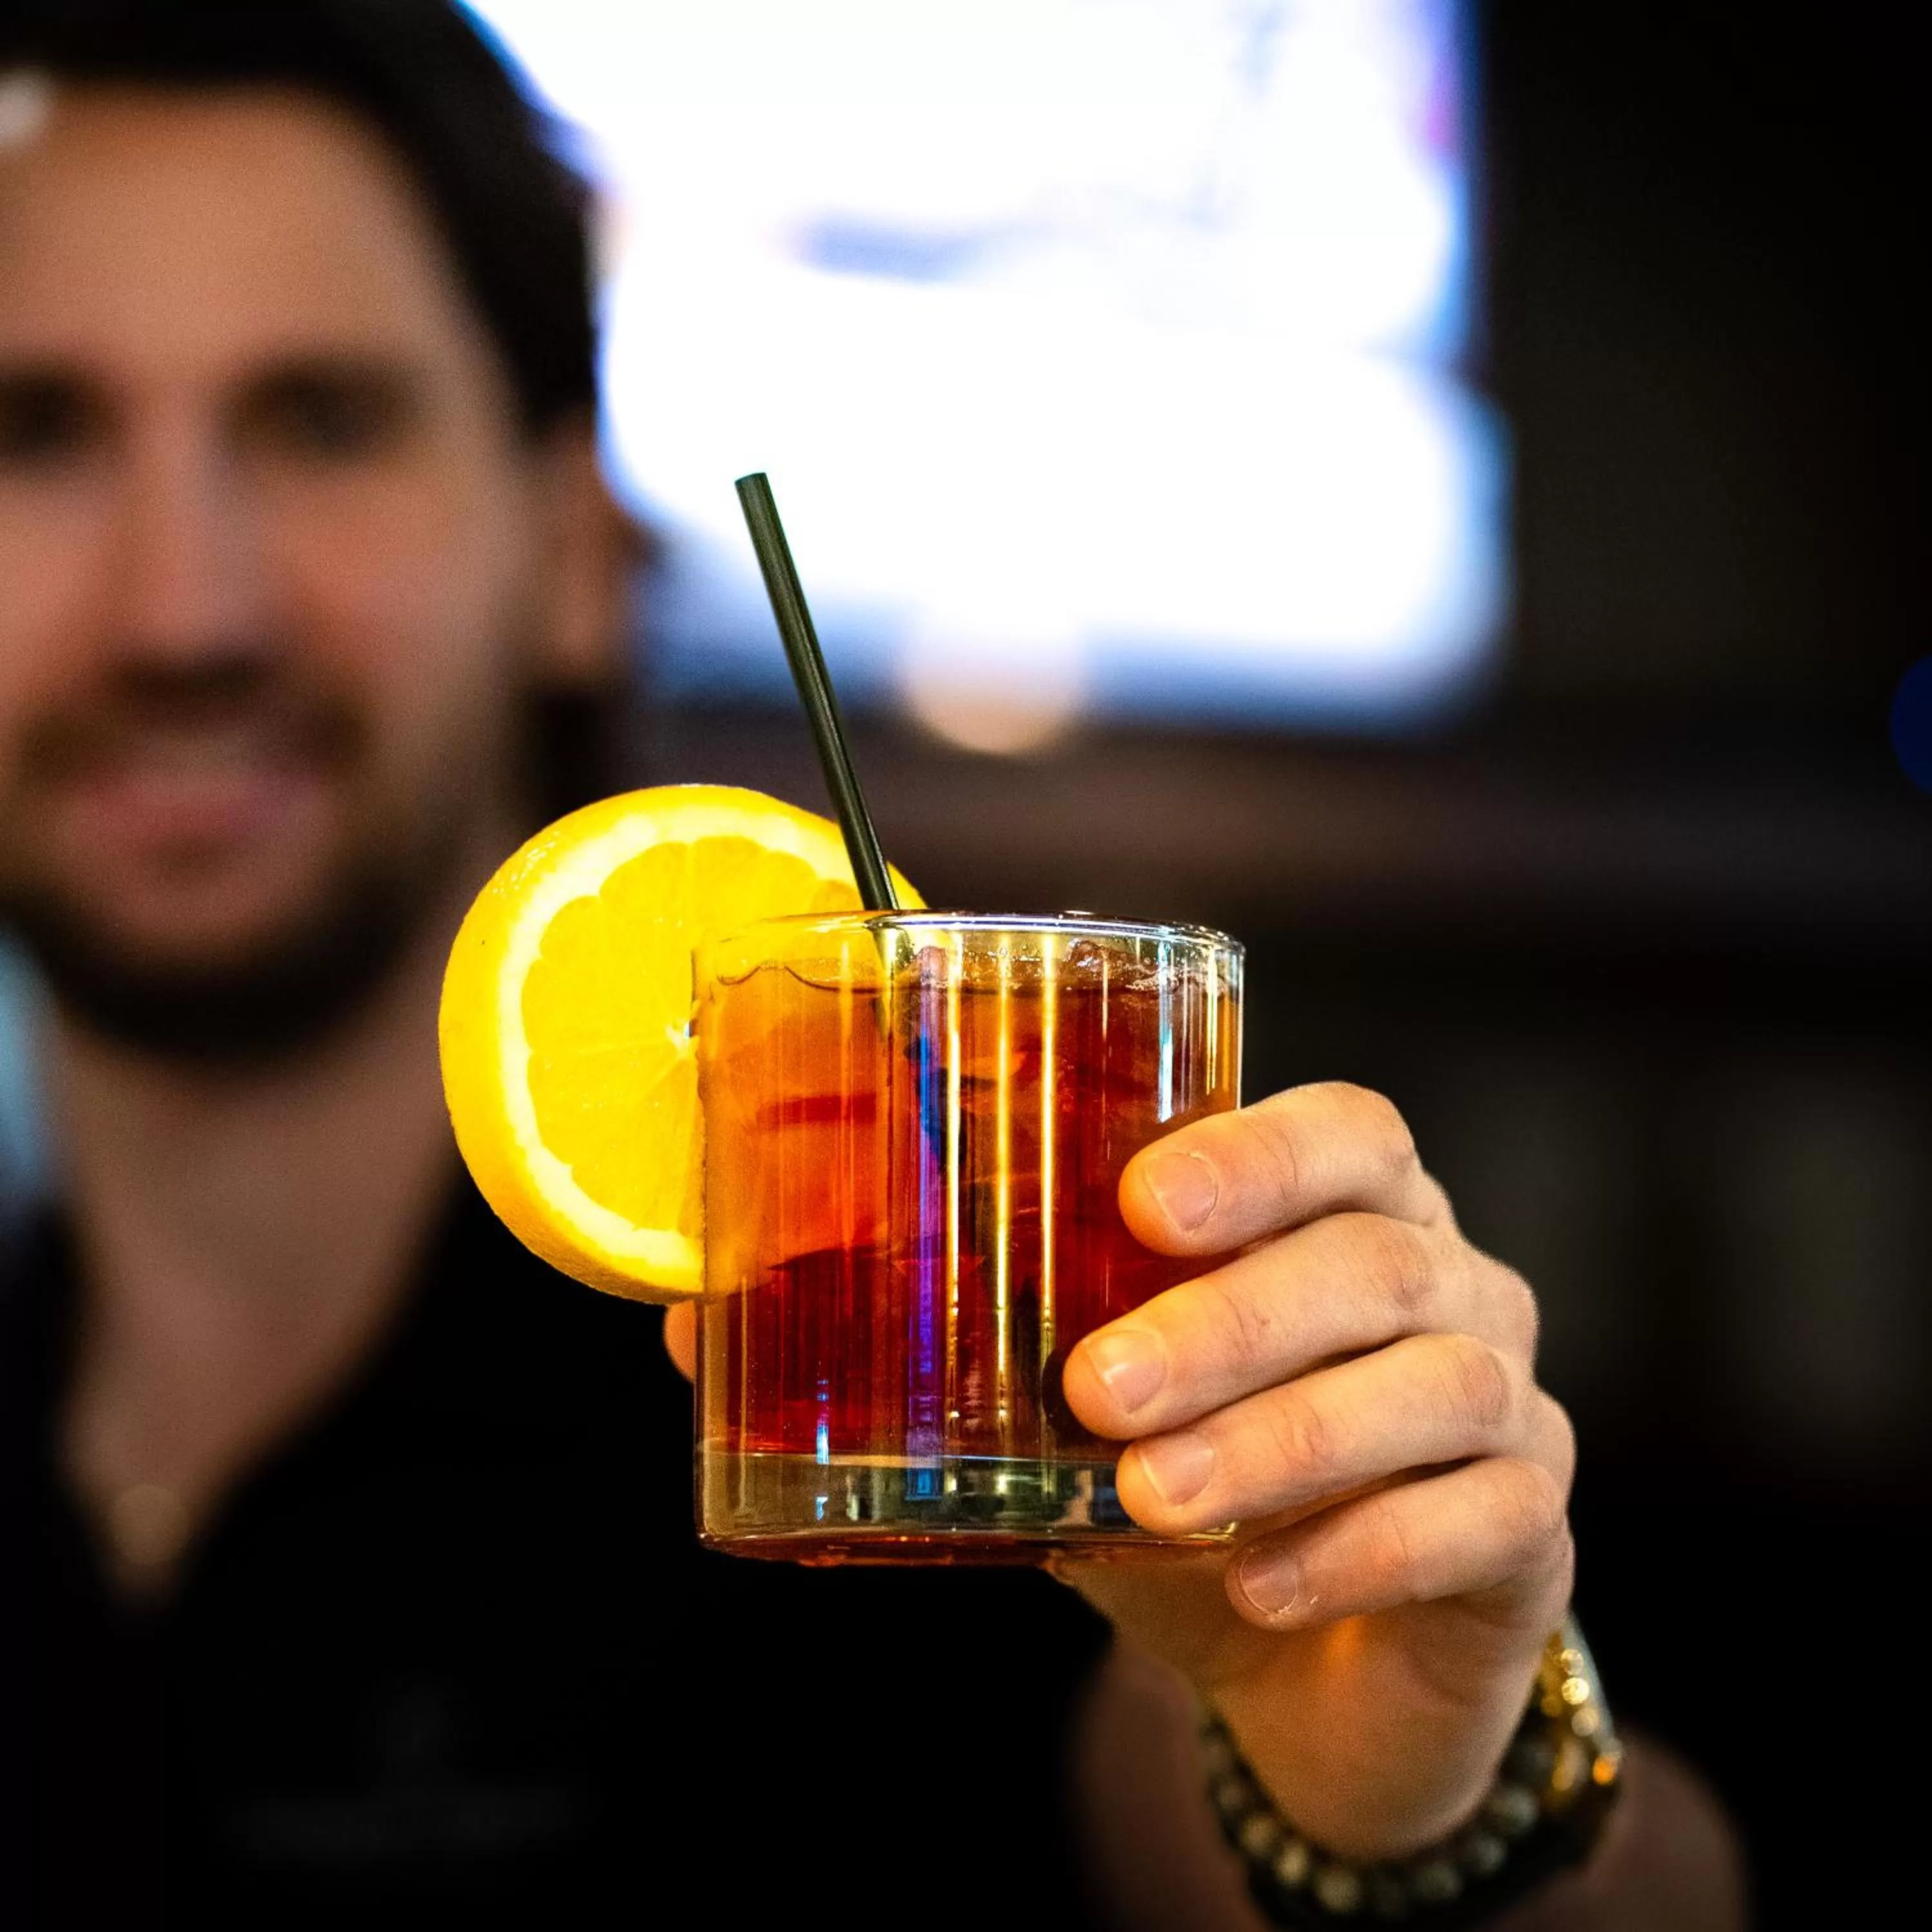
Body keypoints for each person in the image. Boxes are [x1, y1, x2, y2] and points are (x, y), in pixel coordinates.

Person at [0, 4, 1746, 1927]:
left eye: (324, 421)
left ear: (576, 548)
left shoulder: (885, 1388)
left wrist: (1398, 1782)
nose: (184, 609)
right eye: (37, 431)